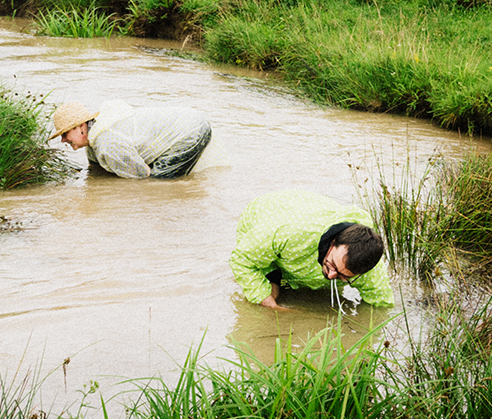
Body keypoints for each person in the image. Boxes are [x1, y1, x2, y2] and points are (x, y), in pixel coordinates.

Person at [230, 190, 392, 310]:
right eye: (332, 265)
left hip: (305, 213)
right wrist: (271, 306)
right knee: (272, 293)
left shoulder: (369, 265)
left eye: (343, 276)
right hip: (265, 216)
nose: (330, 275)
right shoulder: (289, 232)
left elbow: (382, 305)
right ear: (333, 241)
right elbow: (241, 260)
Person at [50, 99, 213, 179]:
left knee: (158, 184)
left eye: (65, 134)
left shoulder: (106, 143)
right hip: (189, 119)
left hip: (189, 131)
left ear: (81, 127)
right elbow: (96, 171)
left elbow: (142, 175)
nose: (63, 140)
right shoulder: (93, 137)